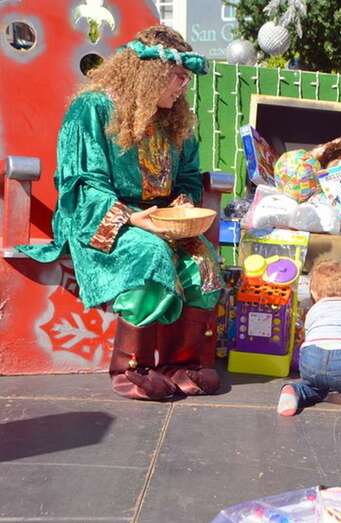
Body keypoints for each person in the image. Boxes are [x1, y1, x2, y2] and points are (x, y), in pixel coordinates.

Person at [18, 26, 223, 401]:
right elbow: (82, 182)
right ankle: (132, 369)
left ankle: (182, 364)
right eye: (178, 76)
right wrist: (131, 218)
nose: (183, 86)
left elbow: (190, 176)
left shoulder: (175, 118)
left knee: (203, 262)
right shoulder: (93, 108)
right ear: (151, 73)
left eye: (186, 79)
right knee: (149, 254)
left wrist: (183, 203)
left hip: (160, 219)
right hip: (102, 217)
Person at [277, 260, 341, 424]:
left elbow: (308, 336)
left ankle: (292, 392)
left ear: (314, 293)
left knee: (312, 388)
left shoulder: (314, 310)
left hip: (313, 358)